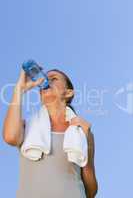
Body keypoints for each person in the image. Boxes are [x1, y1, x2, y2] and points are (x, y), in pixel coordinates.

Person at [2, 68, 98, 198]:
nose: (46, 81)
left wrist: (87, 143)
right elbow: (10, 137)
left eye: (53, 79)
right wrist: (19, 89)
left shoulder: (81, 131)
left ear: (68, 93)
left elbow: (91, 192)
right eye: (45, 79)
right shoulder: (27, 127)